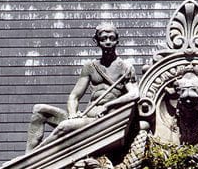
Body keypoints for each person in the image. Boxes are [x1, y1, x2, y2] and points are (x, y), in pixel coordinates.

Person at [26, 22, 138, 151]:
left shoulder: (125, 67)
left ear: (117, 40)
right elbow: (74, 96)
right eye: (103, 39)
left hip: (104, 120)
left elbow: (134, 94)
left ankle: (33, 158)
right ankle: (26, 156)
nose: (108, 42)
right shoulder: (90, 67)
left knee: (64, 126)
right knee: (40, 110)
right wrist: (73, 114)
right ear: (97, 42)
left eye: (111, 38)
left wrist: (108, 106)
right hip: (85, 118)